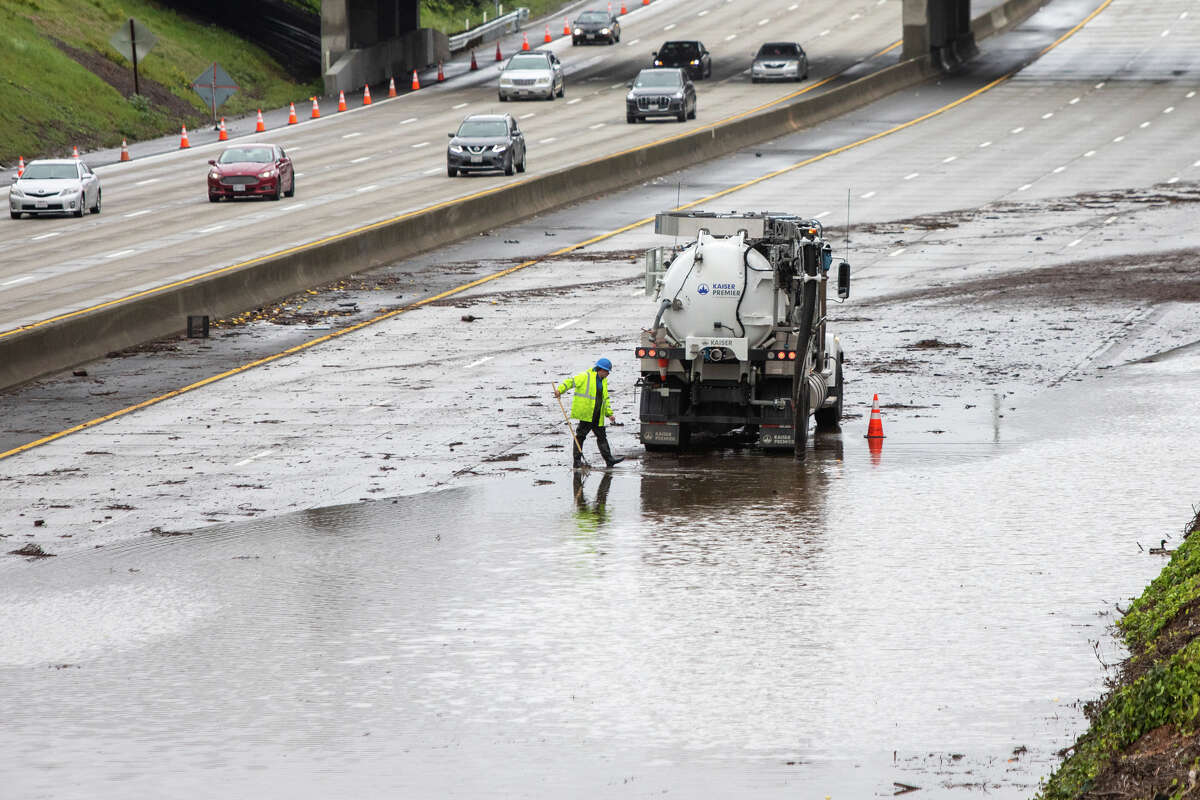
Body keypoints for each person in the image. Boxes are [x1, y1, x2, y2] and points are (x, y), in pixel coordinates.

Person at [554, 357, 625, 469]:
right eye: (607, 371)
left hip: (598, 415)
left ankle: (609, 460)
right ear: (600, 369)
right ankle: (577, 461)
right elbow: (570, 382)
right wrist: (560, 390)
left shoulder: (603, 381)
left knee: (602, 436)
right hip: (587, 413)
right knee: (580, 436)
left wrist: (609, 414)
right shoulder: (585, 376)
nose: (608, 374)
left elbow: (604, 399)